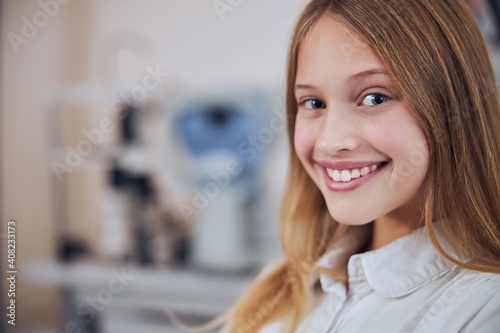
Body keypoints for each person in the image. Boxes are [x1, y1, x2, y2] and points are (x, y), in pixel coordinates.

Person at [219, 0, 500, 332]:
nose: (329, 141)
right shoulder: (277, 287)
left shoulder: (484, 309)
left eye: (375, 98)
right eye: (313, 103)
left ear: (453, 105)